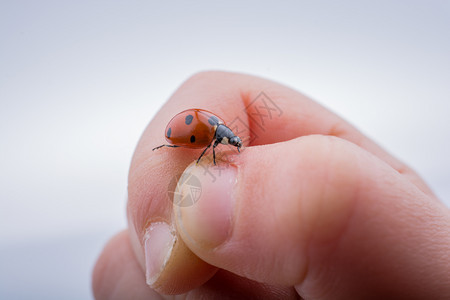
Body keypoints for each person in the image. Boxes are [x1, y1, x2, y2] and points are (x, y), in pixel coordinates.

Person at [92, 71, 450, 299]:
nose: (233, 144)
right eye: (231, 141)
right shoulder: (214, 134)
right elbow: (202, 145)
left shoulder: (217, 132)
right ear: (227, 136)